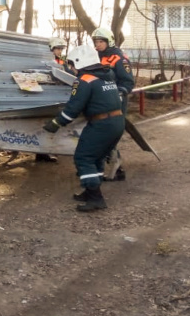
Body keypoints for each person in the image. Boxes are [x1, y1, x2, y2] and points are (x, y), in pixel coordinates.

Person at [42, 45, 125, 212]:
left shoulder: (84, 80)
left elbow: (73, 108)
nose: (71, 68)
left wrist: (56, 123)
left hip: (102, 124)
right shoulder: (107, 76)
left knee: (83, 157)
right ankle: (90, 191)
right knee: (97, 157)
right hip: (117, 122)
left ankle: (96, 198)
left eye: (72, 64)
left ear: (80, 62)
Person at [91, 27, 135, 181]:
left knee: (109, 134)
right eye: (96, 41)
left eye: (101, 41)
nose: (98, 44)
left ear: (109, 41)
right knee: (102, 135)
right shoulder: (95, 57)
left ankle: (116, 168)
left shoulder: (119, 58)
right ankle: (105, 167)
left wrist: (119, 93)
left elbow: (128, 82)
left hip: (115, 102)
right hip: (99, 101)